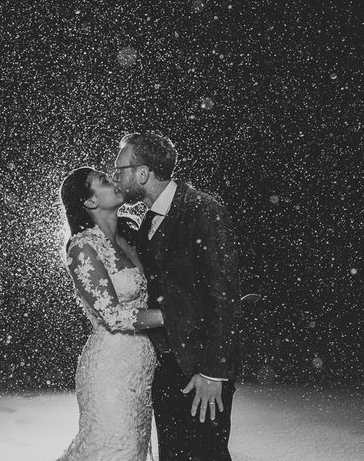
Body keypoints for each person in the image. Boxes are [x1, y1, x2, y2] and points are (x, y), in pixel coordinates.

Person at [112, 132, 242, 461]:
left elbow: (222, 296)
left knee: (207, 455)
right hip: (168, 366)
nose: (117, 178)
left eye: (120, 170)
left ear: (142, 173)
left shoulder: (202, 210)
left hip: (201, 369)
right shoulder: (148, 219)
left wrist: (214, 372)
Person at [56, 166, 165, 461]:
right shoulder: (82, 248)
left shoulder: (129, 237)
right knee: (114, 449)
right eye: (103, 181)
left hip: (140, 367)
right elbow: (114, 316)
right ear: (90, 202)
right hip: (110, 370)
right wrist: (173, 315)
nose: (114, 180)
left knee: (134, 449)